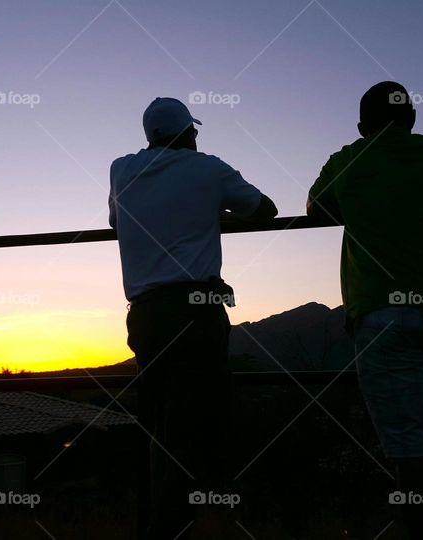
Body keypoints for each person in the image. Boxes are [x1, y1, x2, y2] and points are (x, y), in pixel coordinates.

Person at [307, 81, 423, 539]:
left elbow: (314, 209)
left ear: (361, 126)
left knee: (410, 448)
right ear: (411, 118)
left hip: (386, 315)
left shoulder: (349, 159)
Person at [109, 97, 277, 540]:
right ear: (186, 133)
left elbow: (117, 218)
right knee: (195, 428)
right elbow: (265, 210)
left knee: (160, 425)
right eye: (194, 131)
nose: (198, 137)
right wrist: (211, 211)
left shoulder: (121, 169)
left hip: (144, 315)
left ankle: (160, 523)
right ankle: (174, 526)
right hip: (195, 310)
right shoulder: (206, 168)